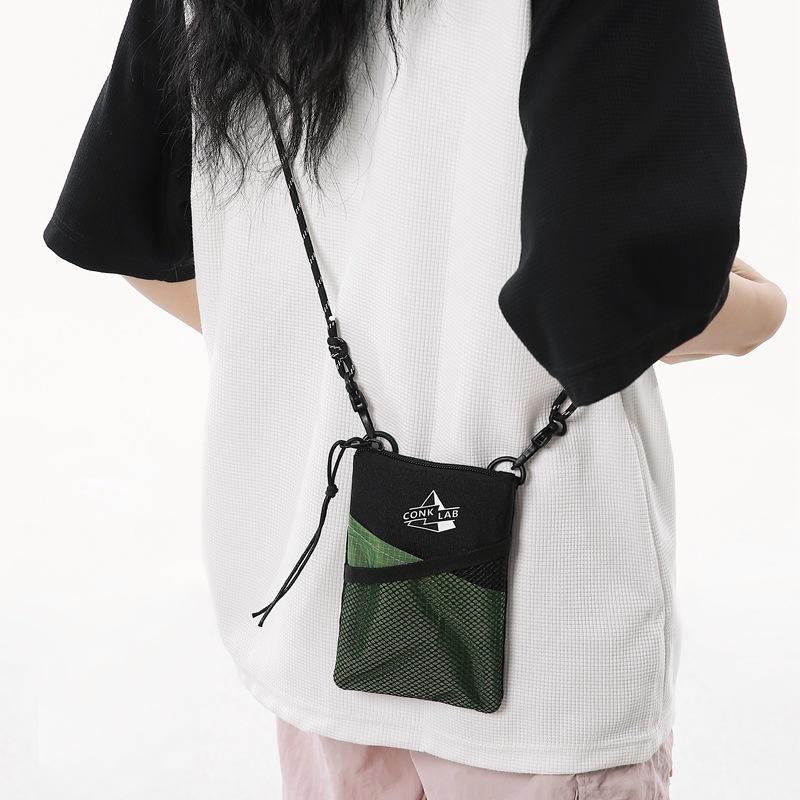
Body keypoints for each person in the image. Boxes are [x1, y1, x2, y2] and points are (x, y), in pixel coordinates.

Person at [43, 0, 787, 797]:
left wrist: (321, 355)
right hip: (549, 670)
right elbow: (614, 301)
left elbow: (131, 234)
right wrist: (764, 313)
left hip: (311, 632)